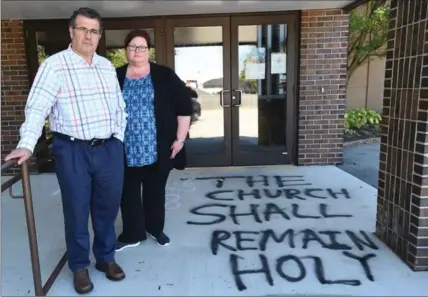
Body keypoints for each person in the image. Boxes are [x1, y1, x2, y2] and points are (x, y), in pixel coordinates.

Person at [4, 7, 127, 295]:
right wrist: (27, 143)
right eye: (83, 29)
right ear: (71, 32)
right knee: (76, 210)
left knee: (107, 208)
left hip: (108, 149)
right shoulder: (55, 66)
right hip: (72, 150)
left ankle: (105, 259)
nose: (89, 35)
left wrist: (118, 138)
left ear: (99, 35)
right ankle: (79, 265)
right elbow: (37, 107)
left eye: (94, 30)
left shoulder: (106, 66)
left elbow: (119, 107)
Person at [114, 29, 192, 252]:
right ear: (126, 51)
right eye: (132, 47)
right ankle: (132, 233)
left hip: (158, 149)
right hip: (124, 150)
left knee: (155, 192)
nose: (136, 51)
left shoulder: (164, 75)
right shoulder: (115, 76)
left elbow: (184, 107)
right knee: (127, 194)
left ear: (148, 50)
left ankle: (155, 229)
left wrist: (180, 139)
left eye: (141, 47)